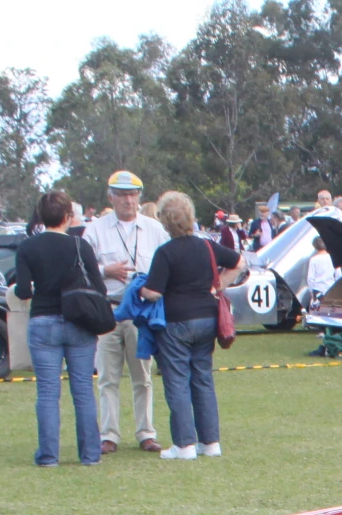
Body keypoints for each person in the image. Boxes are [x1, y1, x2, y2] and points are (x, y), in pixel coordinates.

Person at [136, 191, 241, 461]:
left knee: (178, 380)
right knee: (203, 378)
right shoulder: (206, 246)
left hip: (176, 322)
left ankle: (184, 445)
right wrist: (216, 288)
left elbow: (155, 292)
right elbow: (238, 263)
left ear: (164, 223)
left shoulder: (165, 253)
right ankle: (210, 441)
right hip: (207, 318)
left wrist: (140, 291)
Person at [10, 190, 106, 467]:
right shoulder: (80, 246)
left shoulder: (28, 247)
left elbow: (24, 290)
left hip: (43, 320)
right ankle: (90, 454)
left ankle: (49, 455)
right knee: (83, 391)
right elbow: (97, 286)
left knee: (48, 393)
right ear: (67, 217)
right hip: (78, 321)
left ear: (41, 216)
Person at [81, 171, 168, 455]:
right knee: (107, 376)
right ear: (110, 197)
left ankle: (146, 432)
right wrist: (106, 270)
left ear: (139, 197)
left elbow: (167, 264)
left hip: (141, 313)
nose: (128, 200)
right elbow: (82, 267)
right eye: (121, 194)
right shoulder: (95, 229)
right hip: (108, 309)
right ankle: (109, 434)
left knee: (142, 376)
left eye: (132, 195)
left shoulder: (154, 229)